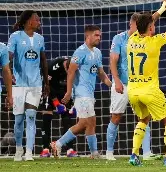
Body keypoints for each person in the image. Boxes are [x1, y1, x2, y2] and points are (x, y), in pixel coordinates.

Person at [106, 0, 166, 161]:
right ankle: (109, 152)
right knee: (116, 116)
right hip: (123, 84)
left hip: (136, 85)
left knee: (144, 117)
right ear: (131, 24)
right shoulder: (120, 38)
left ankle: (145, 153)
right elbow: (113, 60)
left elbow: (151, 20)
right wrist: (117, 81)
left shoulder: (137, 36)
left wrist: (163, 8)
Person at [127, 0, 166, 166]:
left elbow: (147, 22)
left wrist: (163, 7)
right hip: (149, 90)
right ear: (150, 28)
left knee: (143, 119)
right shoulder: (154, 42)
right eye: (153, 26)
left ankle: (134, 155)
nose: (155, 26)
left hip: (132, 91)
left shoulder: (132, 39)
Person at [50, 25, 112, 159]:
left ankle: (94, 153)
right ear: (88, 36)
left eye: (100, 35)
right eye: (96, 35)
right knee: (84, 122)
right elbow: (71, 72)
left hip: (89, 93)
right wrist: (68, 92)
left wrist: (111, 85)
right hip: (80, 93)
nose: (99, 37)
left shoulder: (97, 53)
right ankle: (58, 144)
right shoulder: (80, 52)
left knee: (92, 121)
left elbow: (101, 73)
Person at [8, 10, 50, 161]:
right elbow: (10, 56)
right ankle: (19, 148)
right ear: (29, 21)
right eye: (37, 20)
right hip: (19, 85)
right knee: (18, 120)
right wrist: (8, 71)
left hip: (35, 84)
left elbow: (43, 60)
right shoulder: (15, 37)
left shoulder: (40, 39)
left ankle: (29, 152)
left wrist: (46, 82)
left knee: (31, 117)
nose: (39, 22)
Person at [39, 56, 78, 158]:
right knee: (46, 116)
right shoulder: (53, 66)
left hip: (65, 90)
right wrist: (56, 103)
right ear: (65, 65)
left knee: (67, 117)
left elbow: (77, 85)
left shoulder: (75, 66)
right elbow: (47, 85)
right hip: (50, 88)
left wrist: (74, 103)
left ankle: (70, 149)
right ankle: (45, 149)